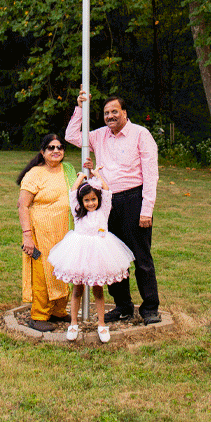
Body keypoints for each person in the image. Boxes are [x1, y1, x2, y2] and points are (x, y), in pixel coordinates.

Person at [65, 90, 160, 324]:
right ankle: (123, 306)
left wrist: (146, 209)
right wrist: (79, 108)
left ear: (124, 113)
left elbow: (151, 174)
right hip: (106, 203)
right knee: (113, 256)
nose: (110, 116)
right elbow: (71, 136)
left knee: (141, 257)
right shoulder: (99, 136)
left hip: (133, 199)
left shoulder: (141, 134)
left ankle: (149, 308)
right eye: (106, 113)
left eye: (114, 111)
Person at [47, 170, 135, 343]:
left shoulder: (103, 211)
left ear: (98, 200)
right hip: (79, 254)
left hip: (99, 254)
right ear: (81, 202)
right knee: (77, 289)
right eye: (86, 200)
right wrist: (80, 178)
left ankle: (101, 324)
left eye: (93, 199)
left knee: (98, 290)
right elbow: (72, 193)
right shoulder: (78, 213)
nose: (90, 203)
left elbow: (108, 191)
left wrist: (97, 176)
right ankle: (73, 323)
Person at [16, 134, 78, 331]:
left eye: (60, 147)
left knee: (64, 270)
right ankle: (39, 316)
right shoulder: (35, 174)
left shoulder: (67, 170)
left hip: (65, 231)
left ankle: (58, 311)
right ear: (42, 152)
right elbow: (22, 206)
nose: (56, 151)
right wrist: (27, 236)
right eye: (51, 147)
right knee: (43, 273)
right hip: (41, 233)